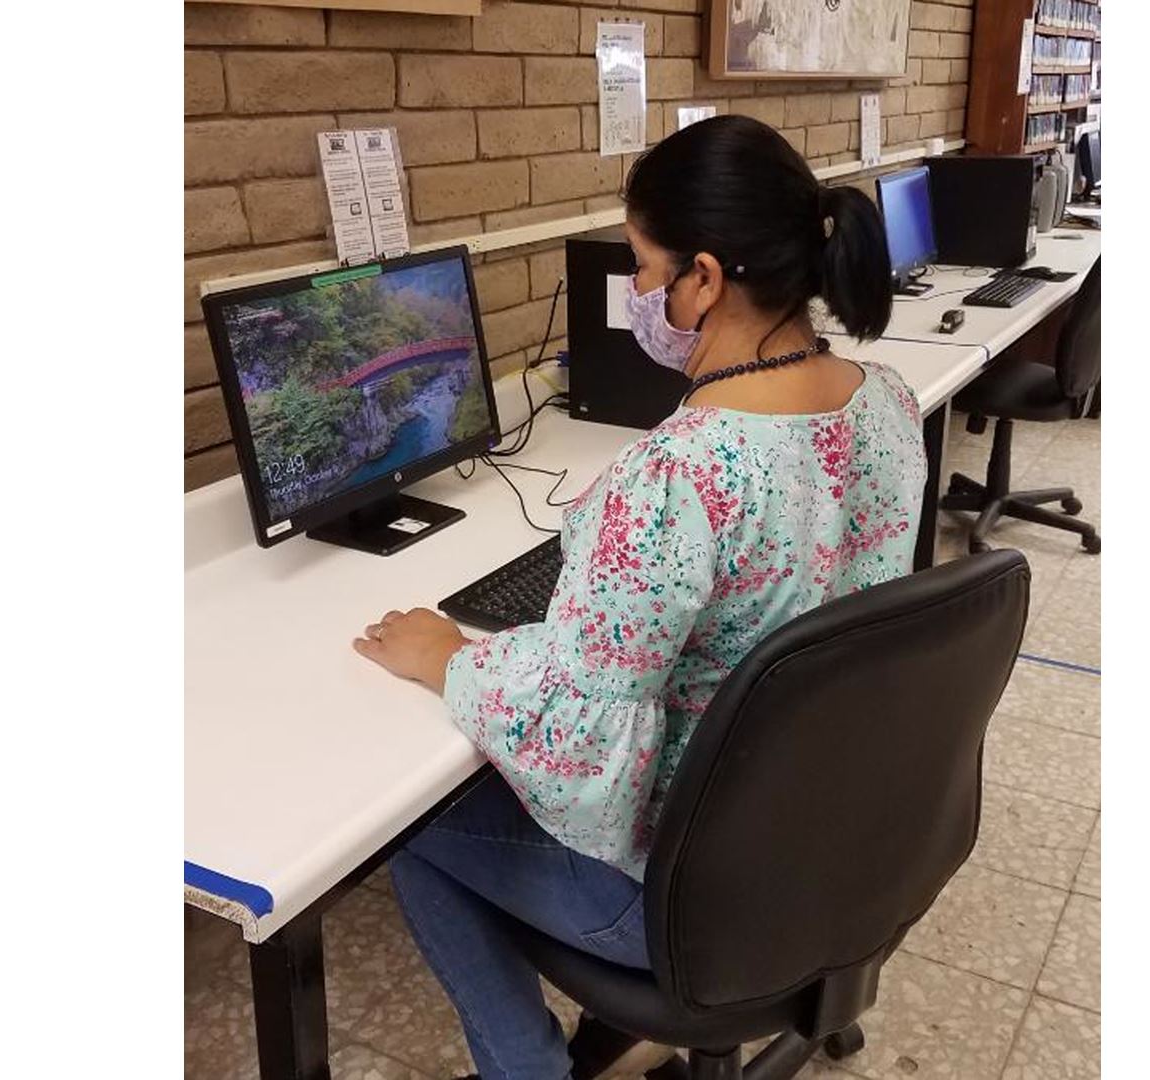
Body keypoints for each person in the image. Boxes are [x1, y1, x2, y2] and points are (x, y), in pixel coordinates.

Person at [351, 114, 928, 1080]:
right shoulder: (888, 401)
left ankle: (525, 1068)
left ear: (705, 277)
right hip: (838, 840)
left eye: (646, 267)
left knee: (410, 829)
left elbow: (584, 743)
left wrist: (451, 657)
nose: (640, 296)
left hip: (694, 897)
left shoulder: (675, 479)